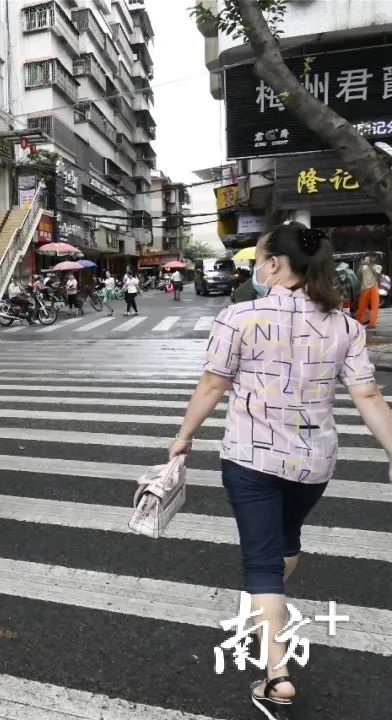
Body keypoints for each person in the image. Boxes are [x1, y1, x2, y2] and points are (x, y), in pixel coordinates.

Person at [168, 222, 392, 719]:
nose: (256, 268)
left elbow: (211, 385)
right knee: (284, 543)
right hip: (314, 462)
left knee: (262, 563)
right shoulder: (345, 326)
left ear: (273, 266)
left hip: (252, 457)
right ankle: (271, 604)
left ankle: (276, 676)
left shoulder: (238, 317)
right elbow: (369, 396)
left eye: (259, 261)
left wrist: (183, 438)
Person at [355, 255, 382, 329]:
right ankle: (358, 322)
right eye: (369, 258)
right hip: (364, 288)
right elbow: (358, 274)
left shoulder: (378, 266)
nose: (370, 260)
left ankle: (372, 323)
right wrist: (361, 264)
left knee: (375, 306)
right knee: (362, 306)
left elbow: (377, 273)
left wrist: (369, 265)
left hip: (374, 287)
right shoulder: (364, 267)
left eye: (371, 258)